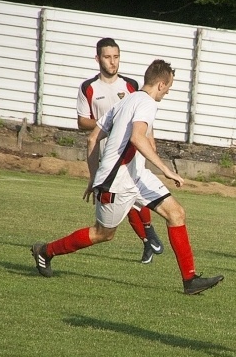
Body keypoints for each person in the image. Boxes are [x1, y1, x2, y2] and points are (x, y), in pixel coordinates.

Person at [31, 59, 224, 296]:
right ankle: (45, 251)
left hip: (136, 175)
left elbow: (93, 139)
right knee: (103, 234)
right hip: (117, 181)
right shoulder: (146, 103)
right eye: (170, 86)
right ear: (161, 84)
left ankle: (190, 280)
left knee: (176, 213)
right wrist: (166, 169)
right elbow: (137, 138)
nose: (169, 91)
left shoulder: (126, 100)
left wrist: (93, 177)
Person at [77, 37, 164, 263]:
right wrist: (110, 124)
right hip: (105, 152)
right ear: (97, 59)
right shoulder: (89, 88)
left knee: (134, 193)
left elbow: (143, 119)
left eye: (116, 57)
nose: (112, 62)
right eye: (107, 57)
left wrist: (151, 138)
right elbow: (82, 122)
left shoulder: (130, 86)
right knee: (122, 205)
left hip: (130, 151)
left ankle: (148, 238)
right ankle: (149, 237)